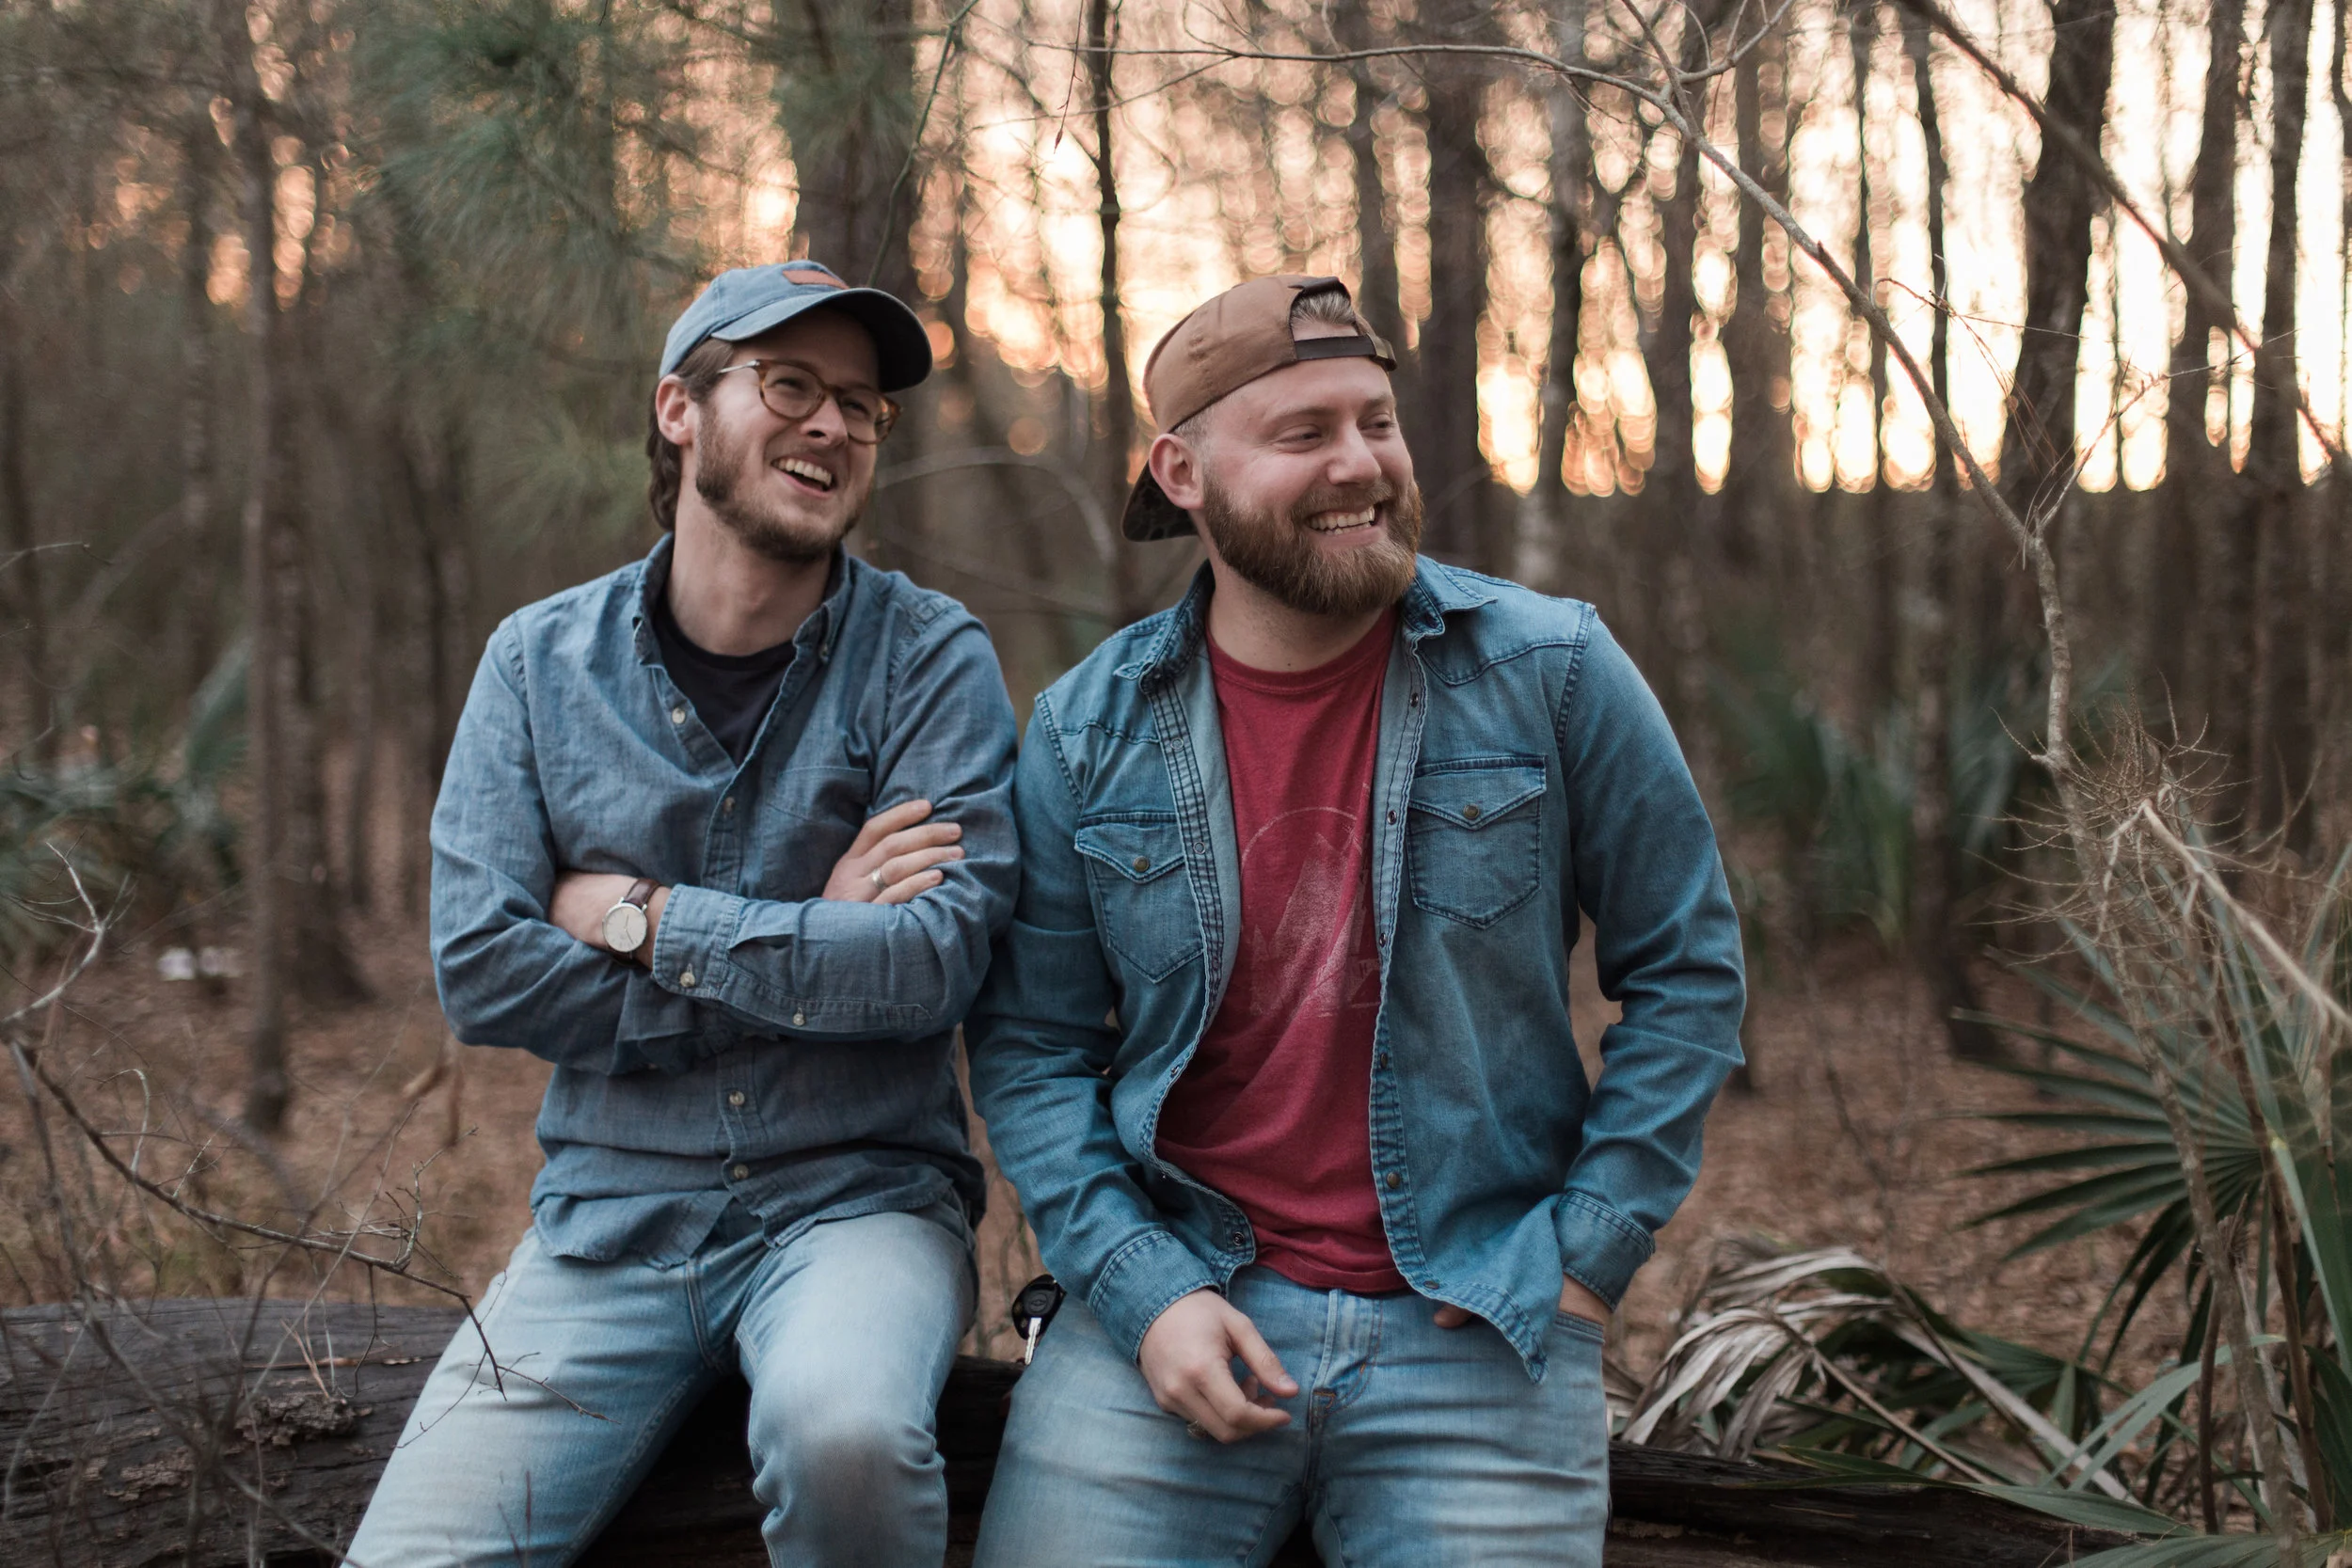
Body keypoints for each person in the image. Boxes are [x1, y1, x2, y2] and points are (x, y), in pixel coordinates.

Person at [965, 275, 1745, 1566]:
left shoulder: (1551, 669)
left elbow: (1689, 971)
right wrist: (1142, 1289)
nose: (1361, 465)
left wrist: (1585, 1255)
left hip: (1482, 1315)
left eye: (1377, 422)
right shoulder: (1087, 730)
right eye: (1305, 433)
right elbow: (1033, 1048)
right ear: (1181, 472)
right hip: (1182, 1304)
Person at [345, 261, 1019, 1568]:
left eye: (861, 405)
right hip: (610, 1223)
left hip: (858, 1206)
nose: (832, 425)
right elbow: (482, 969)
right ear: (679, 408)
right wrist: (810, 937)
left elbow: (928, 964)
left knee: (845, 1437)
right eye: (790, 385)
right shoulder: (537, 664)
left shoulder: (930, 658)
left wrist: (645, 919)